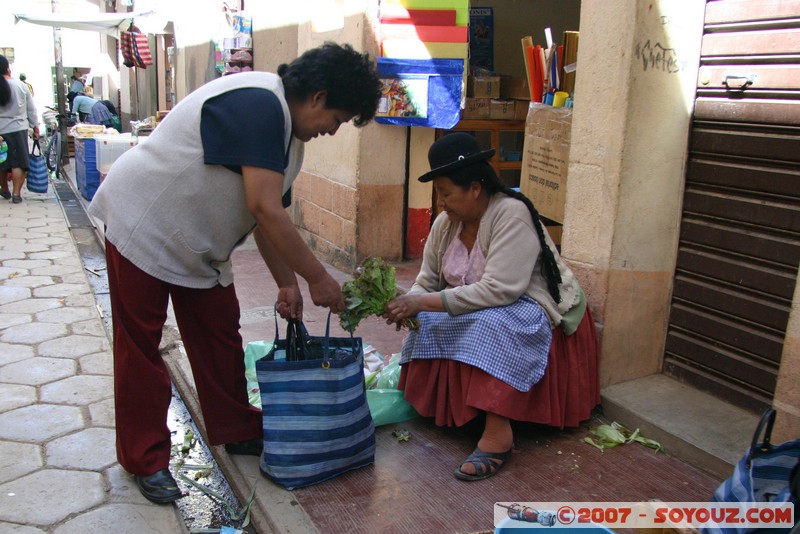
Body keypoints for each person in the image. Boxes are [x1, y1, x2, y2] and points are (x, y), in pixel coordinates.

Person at [87, 42, 381, 505]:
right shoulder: (259, 103)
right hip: (143, 224)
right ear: (319, 97)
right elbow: (263, 206)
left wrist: (286, 282)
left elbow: (270, 218)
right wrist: (317, 277)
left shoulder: (290, 138)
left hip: (196, 244)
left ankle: (237, 428)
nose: (332, 130)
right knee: (141, 347)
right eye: (338, 120)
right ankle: (145, 458)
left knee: (219, 333)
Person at [383, 132, 600, 482]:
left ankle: (498, 434)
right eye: (439, 194)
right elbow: (427, 281)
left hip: (528, 301)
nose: (441, 203)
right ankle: (454, 412)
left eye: (445, 193)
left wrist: (421, 301)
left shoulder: (511, 214)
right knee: (427, 318)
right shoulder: (445, 224)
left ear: (475, 188)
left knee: (490, 326)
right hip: (483, 299)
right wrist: (408, 303)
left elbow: (500, 291)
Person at [0, 55, 40, 204]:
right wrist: (35, 127)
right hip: (18, 129)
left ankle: (4, 189)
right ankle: (16, 193)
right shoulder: (21, 86)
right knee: (18, 162)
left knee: (1, 160)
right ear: (8, 68)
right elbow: (31, 110)